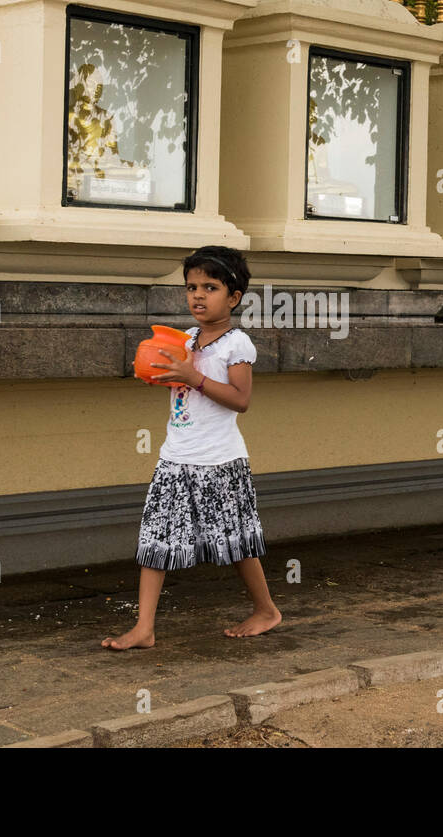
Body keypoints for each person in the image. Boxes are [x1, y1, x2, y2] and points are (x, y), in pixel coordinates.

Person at [102, 246, 281, 649]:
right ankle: (144, 627)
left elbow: (241, 399)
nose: (198, 295)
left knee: (237, 542)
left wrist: (191, 375)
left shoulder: (236, 345)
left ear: (233, 298)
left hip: (219, 461)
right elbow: (178, 383)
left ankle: (267, 610)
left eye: (210, 287)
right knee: (156, 538)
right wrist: (160, 374)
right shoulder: (185, 340)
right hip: (176, 456)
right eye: (191, 287)